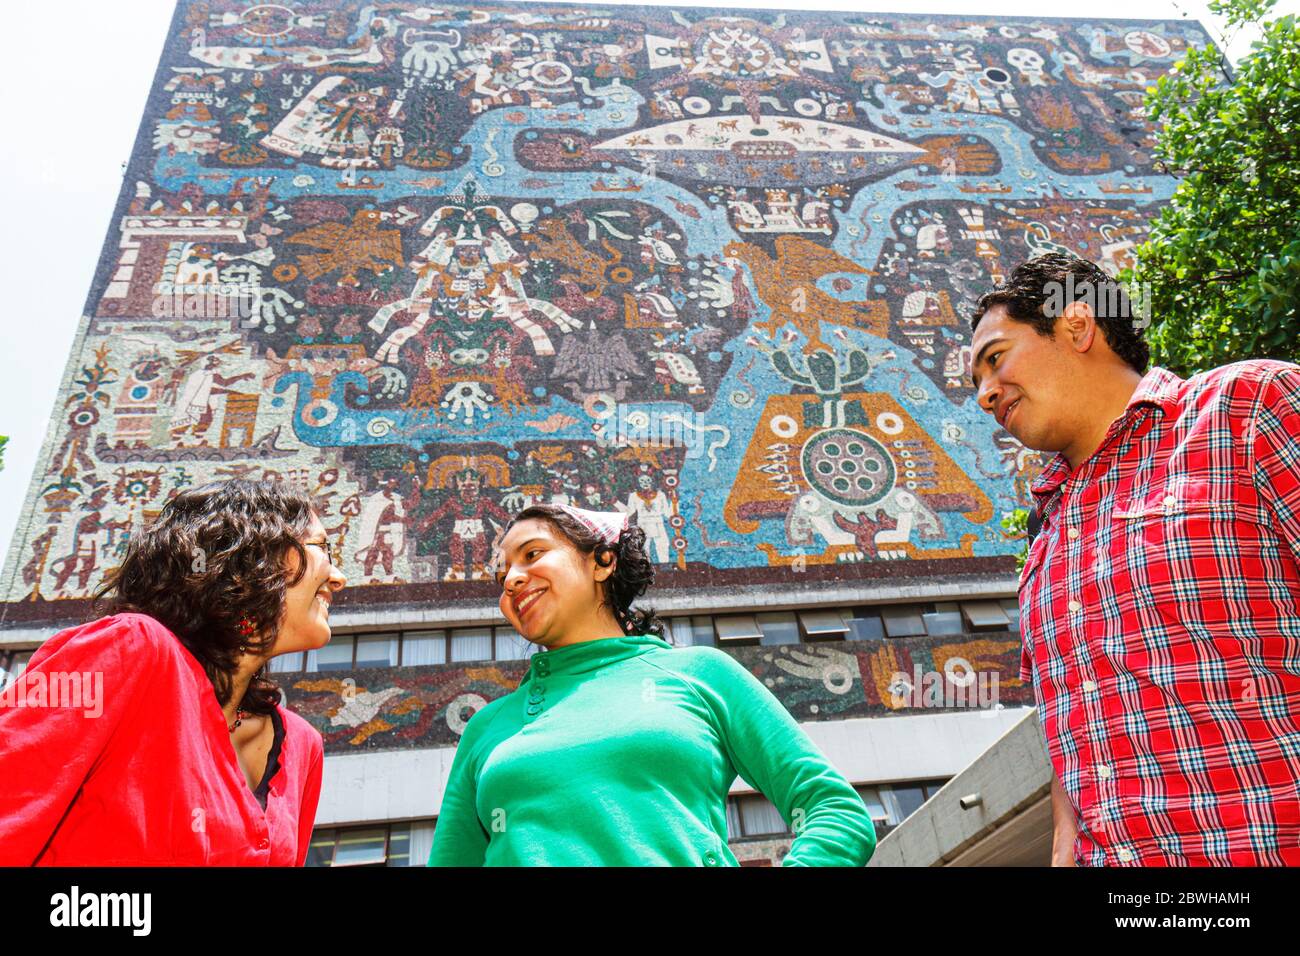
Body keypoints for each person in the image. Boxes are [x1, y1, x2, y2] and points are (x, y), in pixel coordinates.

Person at [969, 252, 1300, 866]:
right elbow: (1077, 751)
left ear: (1076, 326)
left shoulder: (1248, 408)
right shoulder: (1042, 554)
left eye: (995, 359)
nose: (986, 394)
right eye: (978, 383)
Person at [428, 503, 876, 866]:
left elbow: (835, 812)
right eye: (501, 573)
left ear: (602, 561)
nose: (511, 579)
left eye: (532, 554)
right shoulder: (487, 728)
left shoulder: (700, 674)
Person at [0, 478, 347, 865]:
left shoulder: (303, 746)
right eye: (323, 548)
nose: (338, 577)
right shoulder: (131, 647)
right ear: (250, 555)